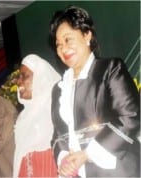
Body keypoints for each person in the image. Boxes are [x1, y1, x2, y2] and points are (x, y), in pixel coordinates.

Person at [49, 6, 140, 177]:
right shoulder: (59, 88)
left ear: (86, 35)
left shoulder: (110, 69)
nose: (63, 48)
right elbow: (58, 135)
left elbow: (130, 117)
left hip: (118, 171)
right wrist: (64, 160)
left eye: (68, 39)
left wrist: (88, 154)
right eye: (58, 44)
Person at [13, 54, 61, 177]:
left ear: (41, 77)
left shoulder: (55, 107)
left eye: (25, 76)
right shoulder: (23, 117)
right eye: (19, 77)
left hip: (50, 170)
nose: (19, 82)